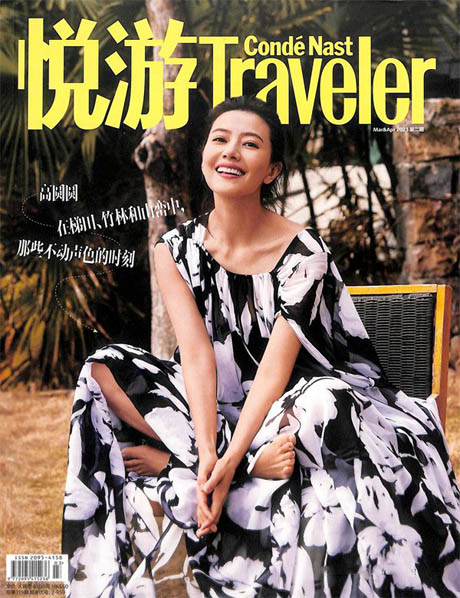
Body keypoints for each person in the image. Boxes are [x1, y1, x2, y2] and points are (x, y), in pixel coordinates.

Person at [62, 96, 460, 598]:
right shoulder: (173, 250)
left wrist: (230, 463)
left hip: (289, 404)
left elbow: (275, 371)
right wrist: (212, 454)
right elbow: (198, 357)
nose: (231, 151)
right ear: (204, 156)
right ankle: (226, 464)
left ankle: (202, 464)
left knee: (325, 401)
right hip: (215, 407)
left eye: (250, 144)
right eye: (220, 139)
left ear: (271, 171)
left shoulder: (305, 252)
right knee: (102, 368)